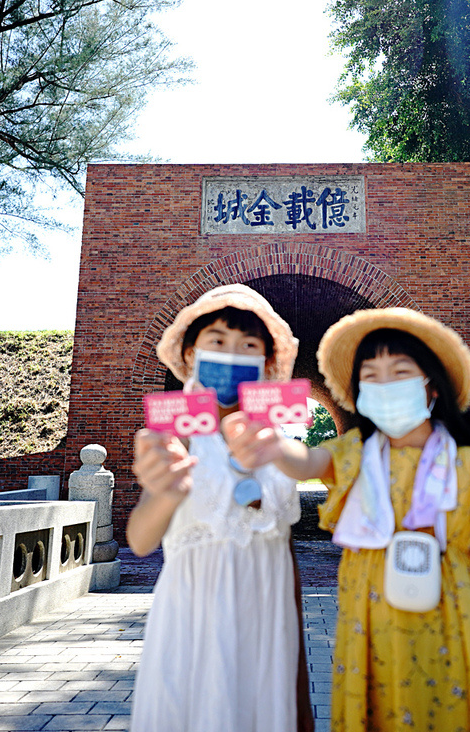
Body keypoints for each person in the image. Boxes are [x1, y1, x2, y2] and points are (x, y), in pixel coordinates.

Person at [223, 307, 470, 732]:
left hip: (457, 648)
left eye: (400, 372)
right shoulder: (355, 455)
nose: (384, 385)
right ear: (358, 394)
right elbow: (310, 460)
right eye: (370, 376)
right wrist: (274, 447)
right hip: (368, 646)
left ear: (431, 388)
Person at [126, 283, 313, 732]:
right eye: (217, 340)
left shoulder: (279, 445)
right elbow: (140, 539)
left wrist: (299, 668)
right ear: (190, 354)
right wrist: (168, 489)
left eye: (248, 345)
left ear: (265, 363)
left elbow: (285, 551)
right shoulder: (175, 436)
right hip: (191, 620)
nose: (232, 353)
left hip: (266, 625)